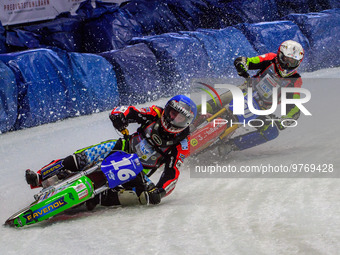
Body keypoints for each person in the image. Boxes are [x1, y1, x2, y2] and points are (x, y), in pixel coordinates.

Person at [25, 95, 197, 209]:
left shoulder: (181, 144)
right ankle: (40, 176)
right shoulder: (155, 113)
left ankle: (93, 198)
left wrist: (160, 191)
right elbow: (129, 110)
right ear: (167, 109)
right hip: (122, 147)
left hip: (137, 171)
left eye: (179, 118)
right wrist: (119, 117)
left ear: (186, 123)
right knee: (80, 158)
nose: (172, 119)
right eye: (172, 113)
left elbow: (172, 174)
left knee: (138, 196)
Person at [218, 40, 305, 156]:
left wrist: (284, 120)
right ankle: (193, 115)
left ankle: (230, 146)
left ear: (298, 63)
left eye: (292, 62)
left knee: (272, 131)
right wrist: (241, 64)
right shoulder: (270, 58)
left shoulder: (295, 81)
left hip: (260, 109)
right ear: (280, 55)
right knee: (217, 101)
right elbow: (248, 61)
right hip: (246, 90)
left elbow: (294, 107)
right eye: (286, 60)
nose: (287, 65)